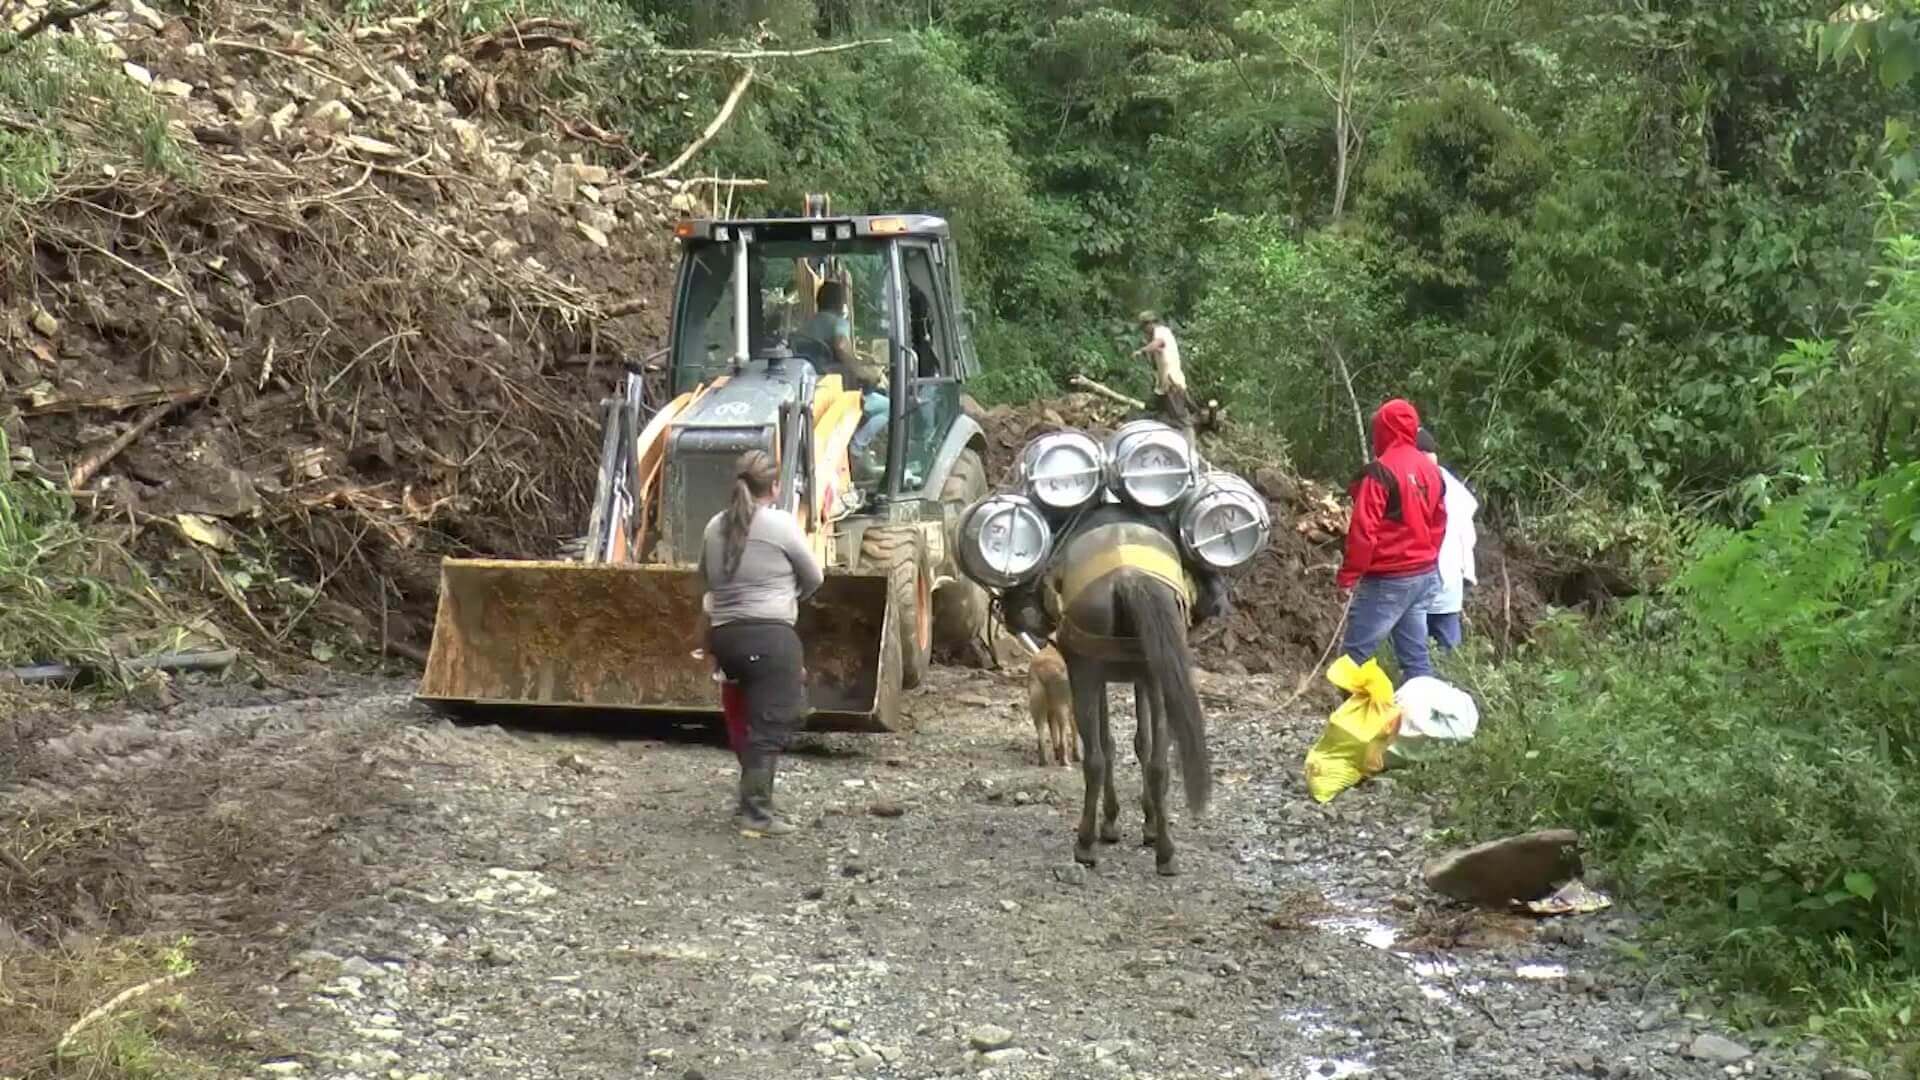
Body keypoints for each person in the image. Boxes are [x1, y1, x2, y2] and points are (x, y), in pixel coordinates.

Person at [697, 450, 824, 837]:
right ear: (775, 486)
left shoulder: (713, 526)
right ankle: (755, 813)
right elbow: (815, 577)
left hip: (725, 636)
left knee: (747, 713)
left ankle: (751, 793)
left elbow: (706, 580)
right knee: (775, 720)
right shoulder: (781, 525)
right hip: (770, 637)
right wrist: (786, 597)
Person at [1335, 399, 1448, 683]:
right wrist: (1425, 557)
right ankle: (1423, 721)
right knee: (1415, 658)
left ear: (1382, 431)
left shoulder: (1380, 471)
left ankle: (1353, 722)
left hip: (1389, 579)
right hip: (1424, 575)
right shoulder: (1431, 470)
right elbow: (1439, 523)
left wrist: (1348, 577)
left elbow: (1363, 530)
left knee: (1353, 659)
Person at [1418, 427, 1478, 652]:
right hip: (1448, 575)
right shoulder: (1449, 481)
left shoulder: (1421, 478)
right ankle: (1449, 680)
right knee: (1446, 643)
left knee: (1416, 647)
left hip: (1427, 574)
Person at [1130, 311, 1195, 442]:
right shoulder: (1157, 335)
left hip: (1173, 384)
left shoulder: (1161, 332)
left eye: (1144, 328)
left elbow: (1158, 343)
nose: (1144, 332)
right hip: (1163, 386)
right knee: (1152, 413)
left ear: (1150, 324)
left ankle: (1190, 447)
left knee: (1181, 420)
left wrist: (1142, 351)